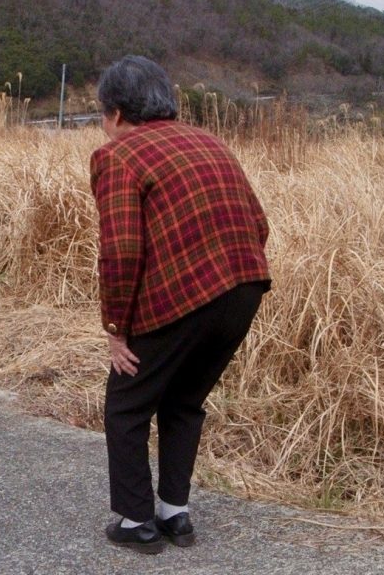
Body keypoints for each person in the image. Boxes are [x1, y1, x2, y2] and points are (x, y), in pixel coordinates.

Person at [90, 56, 271, 554]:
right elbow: (259, 224)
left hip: (186, 295)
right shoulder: (211, 142)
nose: (104, 128)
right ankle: (174, 513)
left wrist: (115, 327)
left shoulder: (119, 155)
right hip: (247, 285)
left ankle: (134, 522)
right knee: (184, 400)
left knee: (126, 403)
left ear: (118, 115)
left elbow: (122, 252)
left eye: (102, 117)